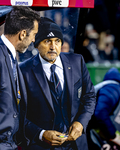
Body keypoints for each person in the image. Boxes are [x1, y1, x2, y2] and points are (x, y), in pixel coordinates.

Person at [19, 17, 96, 150]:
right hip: (41, 146)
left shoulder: (77, 61)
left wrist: (80, 123)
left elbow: (89, 96)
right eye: (47, 41)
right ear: (36, 44)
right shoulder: (23, 71)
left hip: (76, 144)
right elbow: (17, 113)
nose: (53, 47)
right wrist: (41, 134)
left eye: (57, 41)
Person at [0, 6, 41, 150]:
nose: (34, 39)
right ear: (23, 34)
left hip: (8, 143)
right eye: (34, 34)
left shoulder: (9, 54)